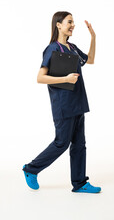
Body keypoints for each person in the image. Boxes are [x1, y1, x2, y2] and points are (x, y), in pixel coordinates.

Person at [22, 11, 101, 193]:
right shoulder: (52, 49)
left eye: (73, 22)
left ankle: (80, 183)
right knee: (61, 143)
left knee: (79, 145)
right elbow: (40, 78)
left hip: (78, 102)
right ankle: (31, 169)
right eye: (69, 22)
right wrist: (65, 79)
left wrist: (93, 37)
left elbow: (90, 60)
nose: (73, 25)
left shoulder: (72, 48)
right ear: (58, 25)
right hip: (63, 105)